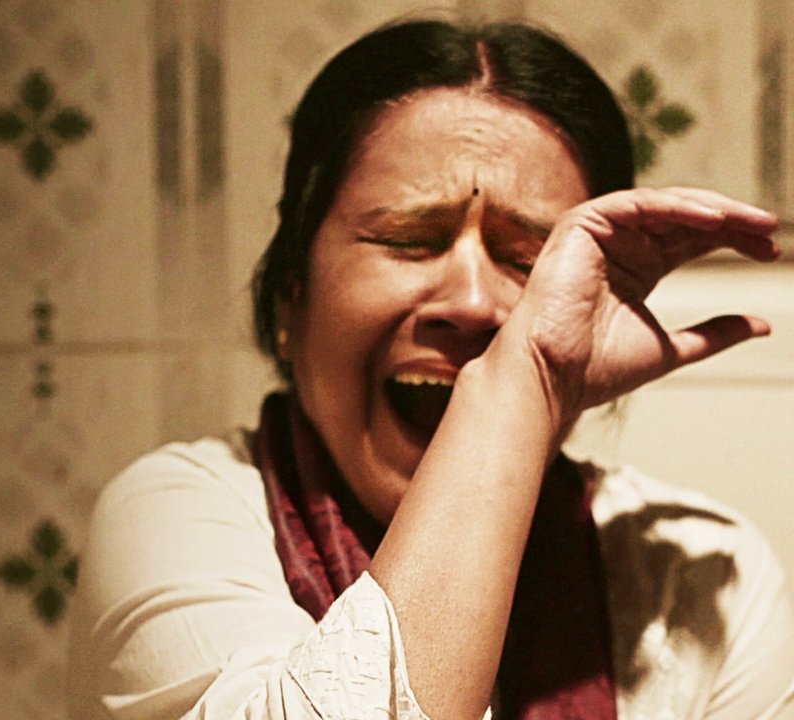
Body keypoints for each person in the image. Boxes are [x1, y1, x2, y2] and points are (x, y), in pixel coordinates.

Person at [67, 18, 794, 720]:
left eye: (528, 260)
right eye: (408, 239)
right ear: (291, 297)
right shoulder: (176, 518)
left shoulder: (701, 573)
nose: (472, 302)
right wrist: (519, 380)